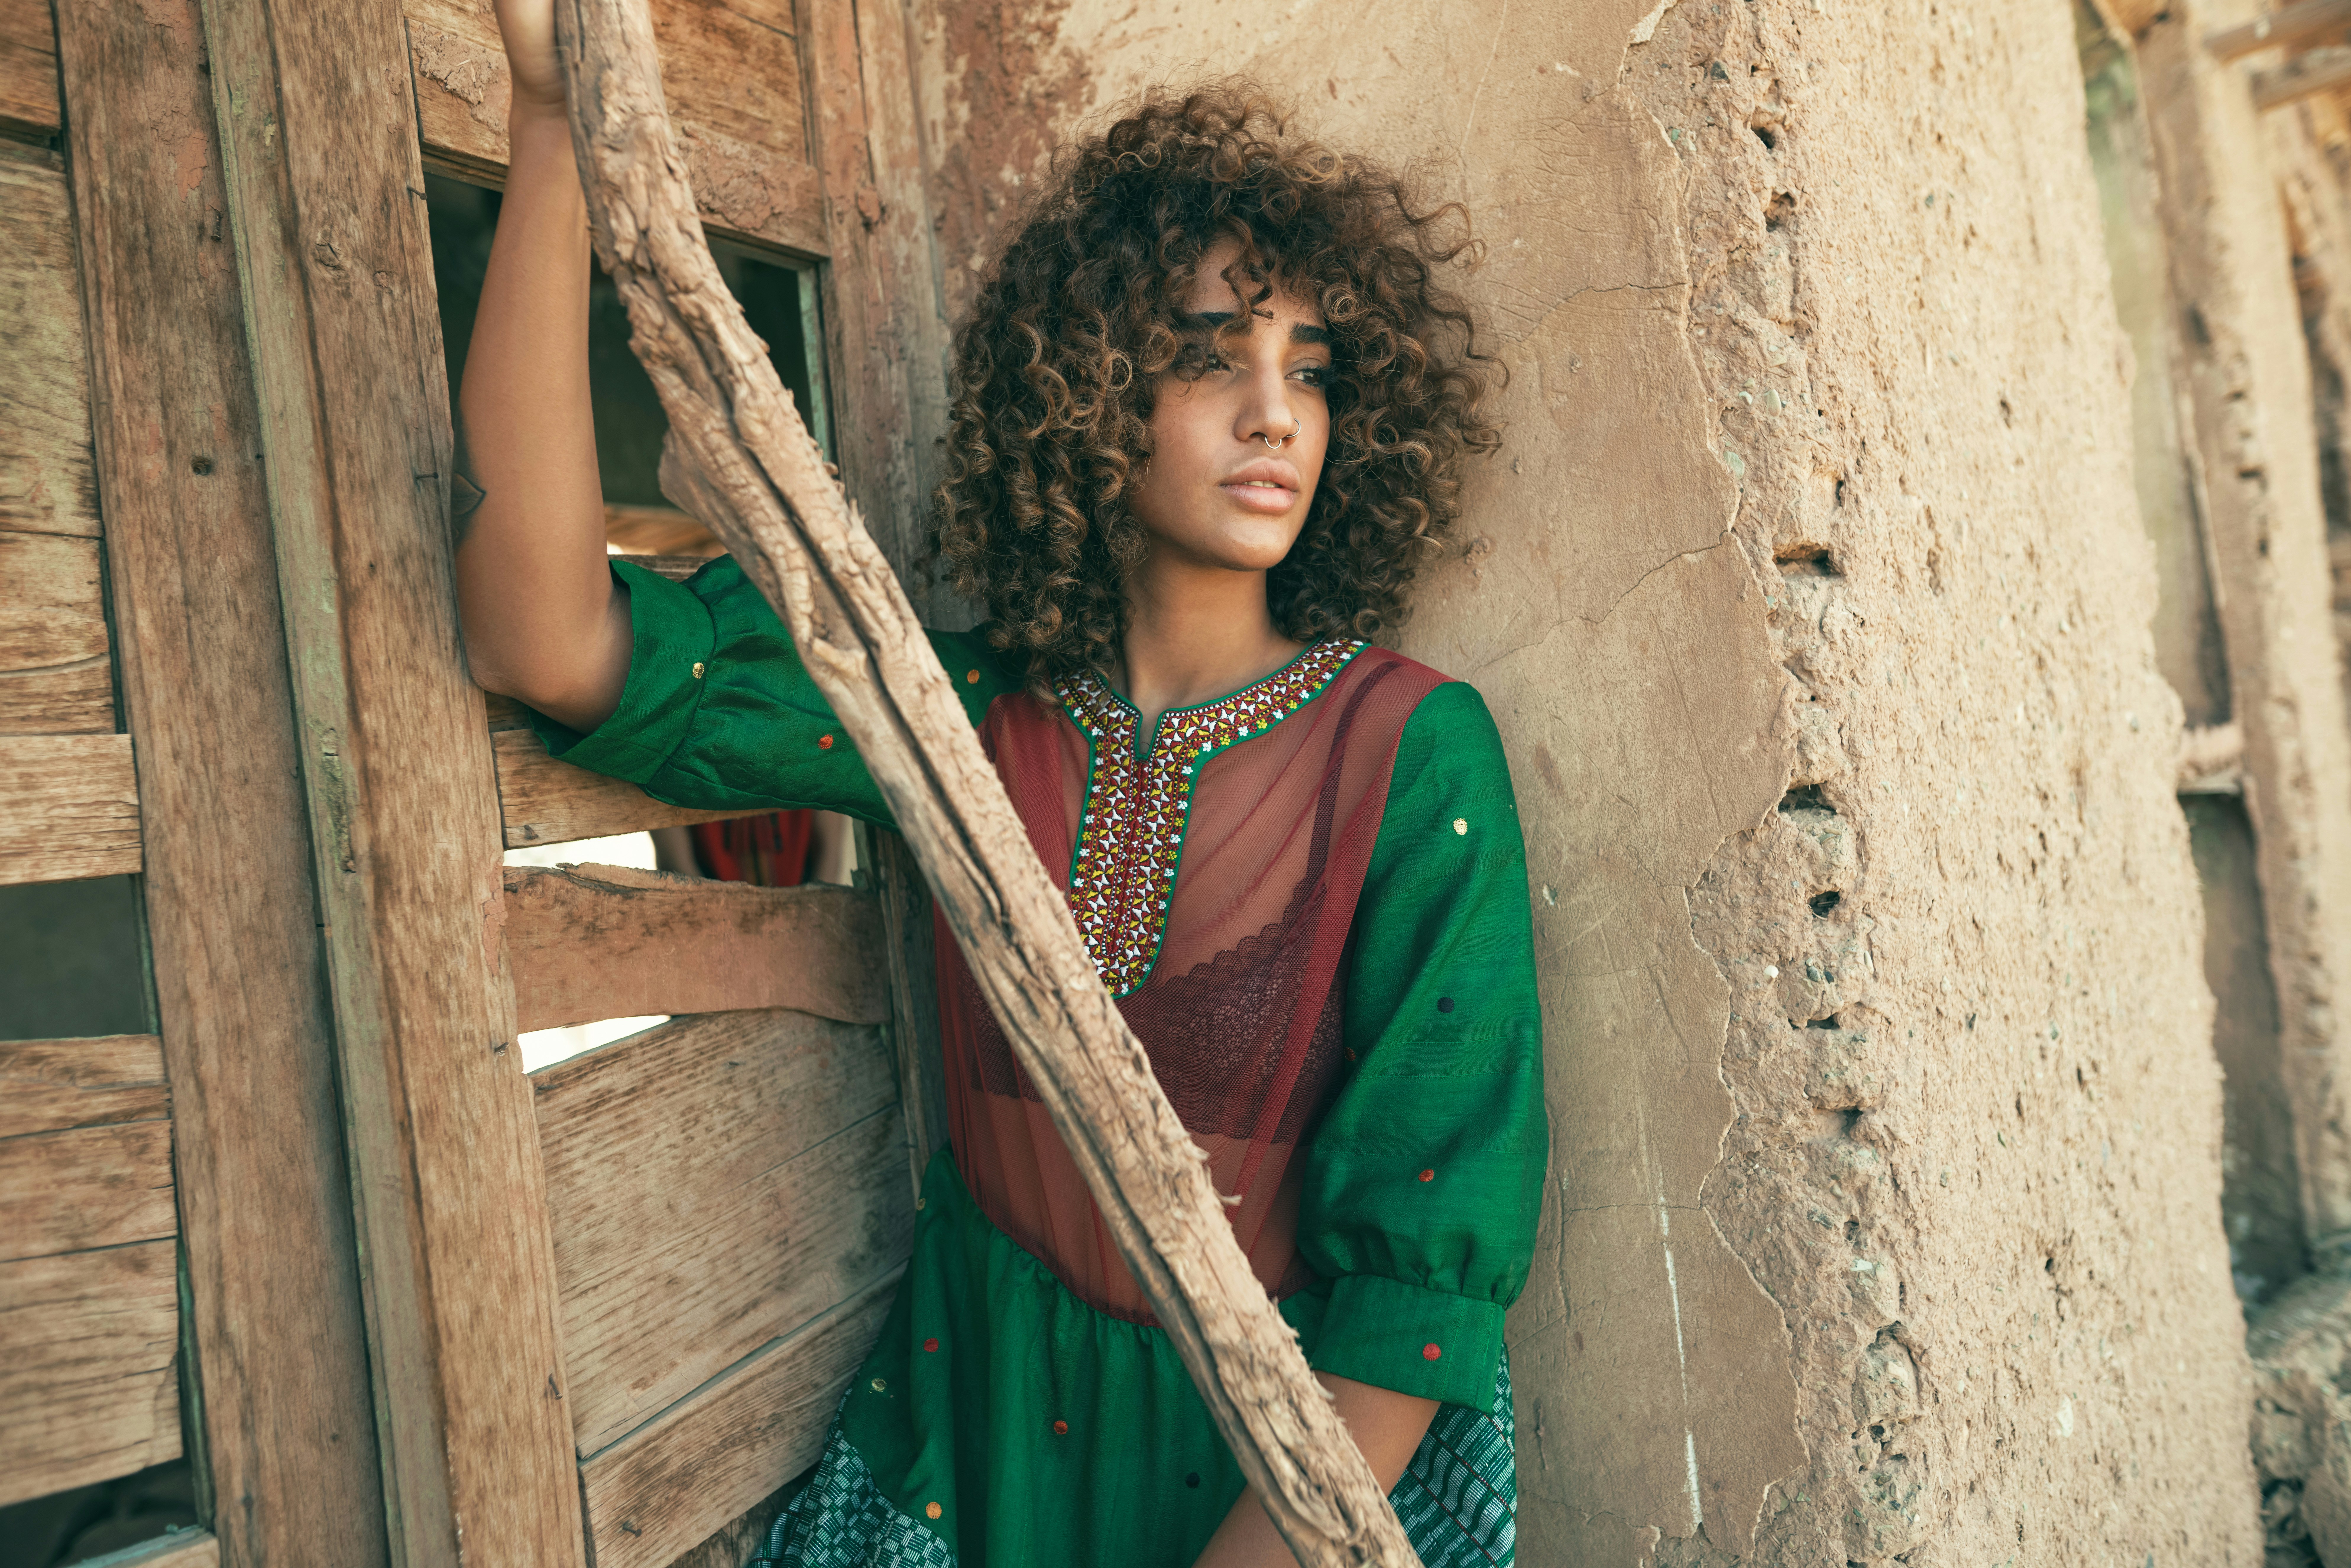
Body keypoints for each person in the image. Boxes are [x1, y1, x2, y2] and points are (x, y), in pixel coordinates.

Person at [458, 6, 1547, 1563]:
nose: (1273, 415)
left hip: (1288, 1497)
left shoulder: (1410, 752)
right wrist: (557, 124)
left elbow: (1417, 1299)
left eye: (1308, 369)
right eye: (1206, 358)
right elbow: (544, 637)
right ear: (1092, 390)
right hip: (958, 1476)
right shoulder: (948, 713)